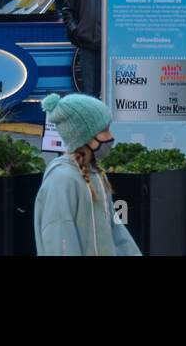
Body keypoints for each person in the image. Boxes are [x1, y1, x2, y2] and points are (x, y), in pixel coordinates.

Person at [34, 93, 140, 257]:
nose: (111, 137)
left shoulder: (96, 174)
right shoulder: (62, 180)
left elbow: (117, 232)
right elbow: (59, 237)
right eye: (104, 130)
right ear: (84, 136)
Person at [62, 0, 104, 95]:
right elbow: (67, 10)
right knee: (89, 93)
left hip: (110, 49)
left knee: (110, 92)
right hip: (87, 48)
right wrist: (76, 30)